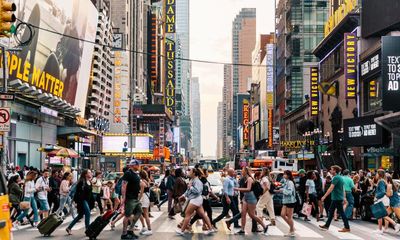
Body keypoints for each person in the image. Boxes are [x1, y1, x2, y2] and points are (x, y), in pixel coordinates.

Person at [175, 168, 214, 236]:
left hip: (195, 199)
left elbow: (198, 191)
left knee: (187, 214)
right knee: (203, 215)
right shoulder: (192, 180)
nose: (188, 172)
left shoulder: (197, 181)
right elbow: (188, 191)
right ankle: (210, 229)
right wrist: (183, 195)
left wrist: (191, 187)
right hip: (196, 200)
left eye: (190, 171)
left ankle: (182, 231)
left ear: (194, 173)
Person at [230, 167, 268, 235]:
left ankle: (264, 226)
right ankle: (242, 229)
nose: (241, 171)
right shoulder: (245, 179)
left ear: (246, 171)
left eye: (243, 170)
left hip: (251, 198)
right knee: (243, 214)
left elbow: (248, 189)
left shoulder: (250, 179)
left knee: (252, 215)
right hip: (245, 197)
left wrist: (237, 189)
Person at [319, 165, 350, 232]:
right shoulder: (340, 177)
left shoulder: (336, 178)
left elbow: (331, 188)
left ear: (335, 171)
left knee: (341, 213)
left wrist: (324, 196)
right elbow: (342, 188)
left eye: (332, 169)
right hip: (337, 197)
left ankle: (347, 227)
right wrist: (343, 197)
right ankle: (327, 225)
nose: (330, 170)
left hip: (337, 198)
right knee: (331, 211)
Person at [66, 169, 94, 235]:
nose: (91, 173)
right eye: (89, 172)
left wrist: (93, 201)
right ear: (85, 174)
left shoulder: (89, 182)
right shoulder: (81, 182)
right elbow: (76, 192)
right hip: (82, 200)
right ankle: (87, 229)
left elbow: (90, 193)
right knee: (88, 213)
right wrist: (75, 201)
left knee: (80, 215)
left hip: (87, 200)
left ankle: (69, 228)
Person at [120, 159, 143, 240]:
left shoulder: (135, 174)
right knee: (127, 215)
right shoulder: (128, 173)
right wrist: (123, 198)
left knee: (139, 212)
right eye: (138, 165)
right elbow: (123, 186)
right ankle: (124, 234)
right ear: (134, 165)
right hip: (130, 198)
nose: (139, 166)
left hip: (135, 198)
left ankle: (130, 230)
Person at [138, 170, 153, 236]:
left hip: (143, 198)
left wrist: (138, 199)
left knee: (144, 214)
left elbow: (141, 193)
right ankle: (145, 227)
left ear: (140, 175)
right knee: (141, 213)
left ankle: (148, 229)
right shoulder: (147, 181)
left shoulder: (142, 183)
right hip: (146, 198)